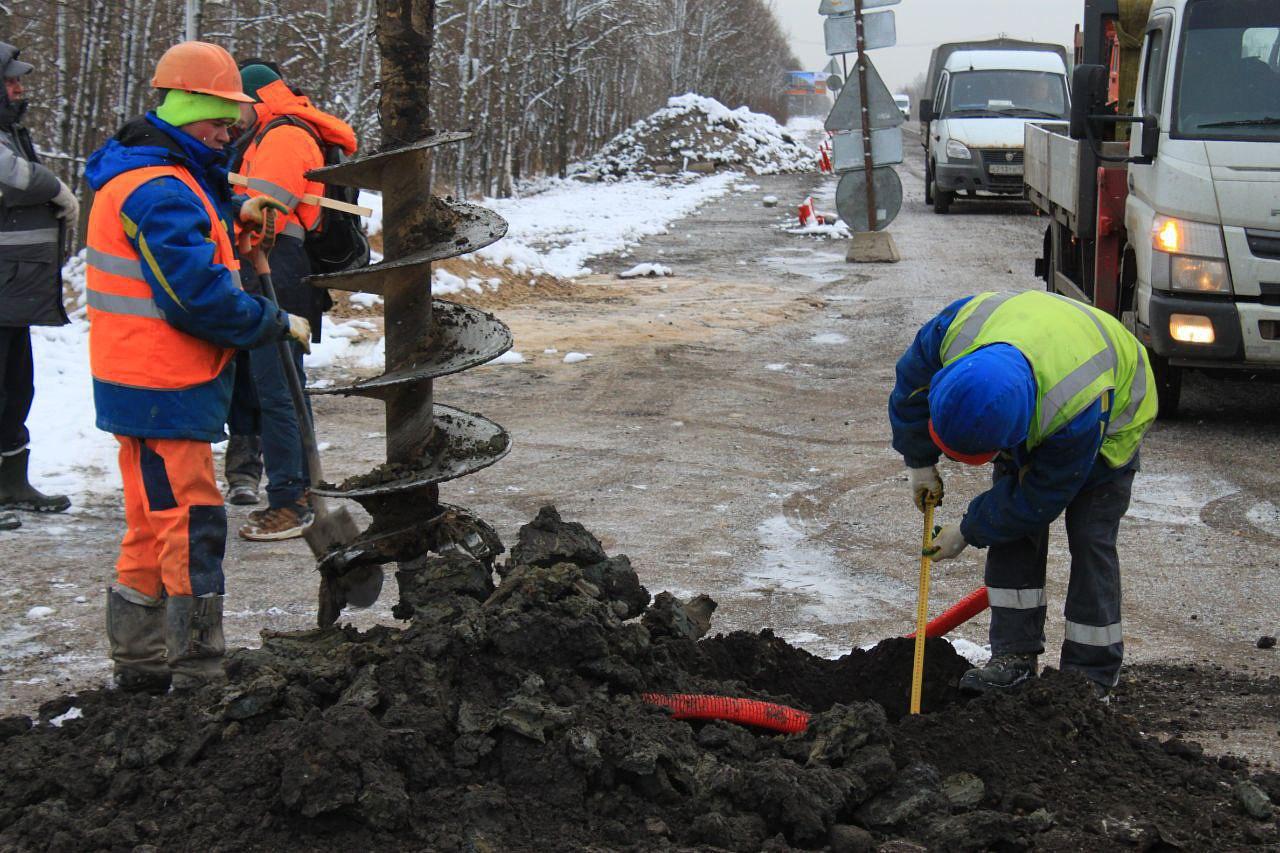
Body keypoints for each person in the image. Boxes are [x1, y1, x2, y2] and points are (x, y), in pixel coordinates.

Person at [84, 41, 310, 692]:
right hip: (162, 382)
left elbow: (191, 241)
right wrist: (269, 320)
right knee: (190, 522)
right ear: (187, 110)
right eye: (220, 116)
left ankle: (141, 666)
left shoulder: (158, 172)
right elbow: (197, 297)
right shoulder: (160, 188)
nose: (229, 129)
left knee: (152, 523)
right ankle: (198, 671)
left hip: (138, 379)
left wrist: (235, 223)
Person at [888, 290, 1157, 699]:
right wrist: (918, 461)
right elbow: (911, 389)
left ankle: (1089, 676)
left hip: (1109, 416)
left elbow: (1038, 498)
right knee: (1011, 532)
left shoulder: (1072, 411)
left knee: (1090, 538)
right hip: (1034, 371)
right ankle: (1013, 657)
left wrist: (967, 529)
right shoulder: (953, 335)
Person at [232, 62, 356, 541]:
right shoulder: (275, 131)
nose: (231, 118)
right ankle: (300, 489)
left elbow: (265, 207)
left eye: (235, 106)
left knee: (278, 386)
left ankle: (291, 499)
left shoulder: (282, 136)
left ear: (255, 98)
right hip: (277, 264)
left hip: (277, 266)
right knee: (280, 383)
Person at [0, 41, 76, 531]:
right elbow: (10, 175)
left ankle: (11, 483)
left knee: (15, 387)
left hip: (13, 288)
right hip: (6, 285)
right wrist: (56, 187)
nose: (20, 87)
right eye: (10, 81)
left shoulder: (11, 130)